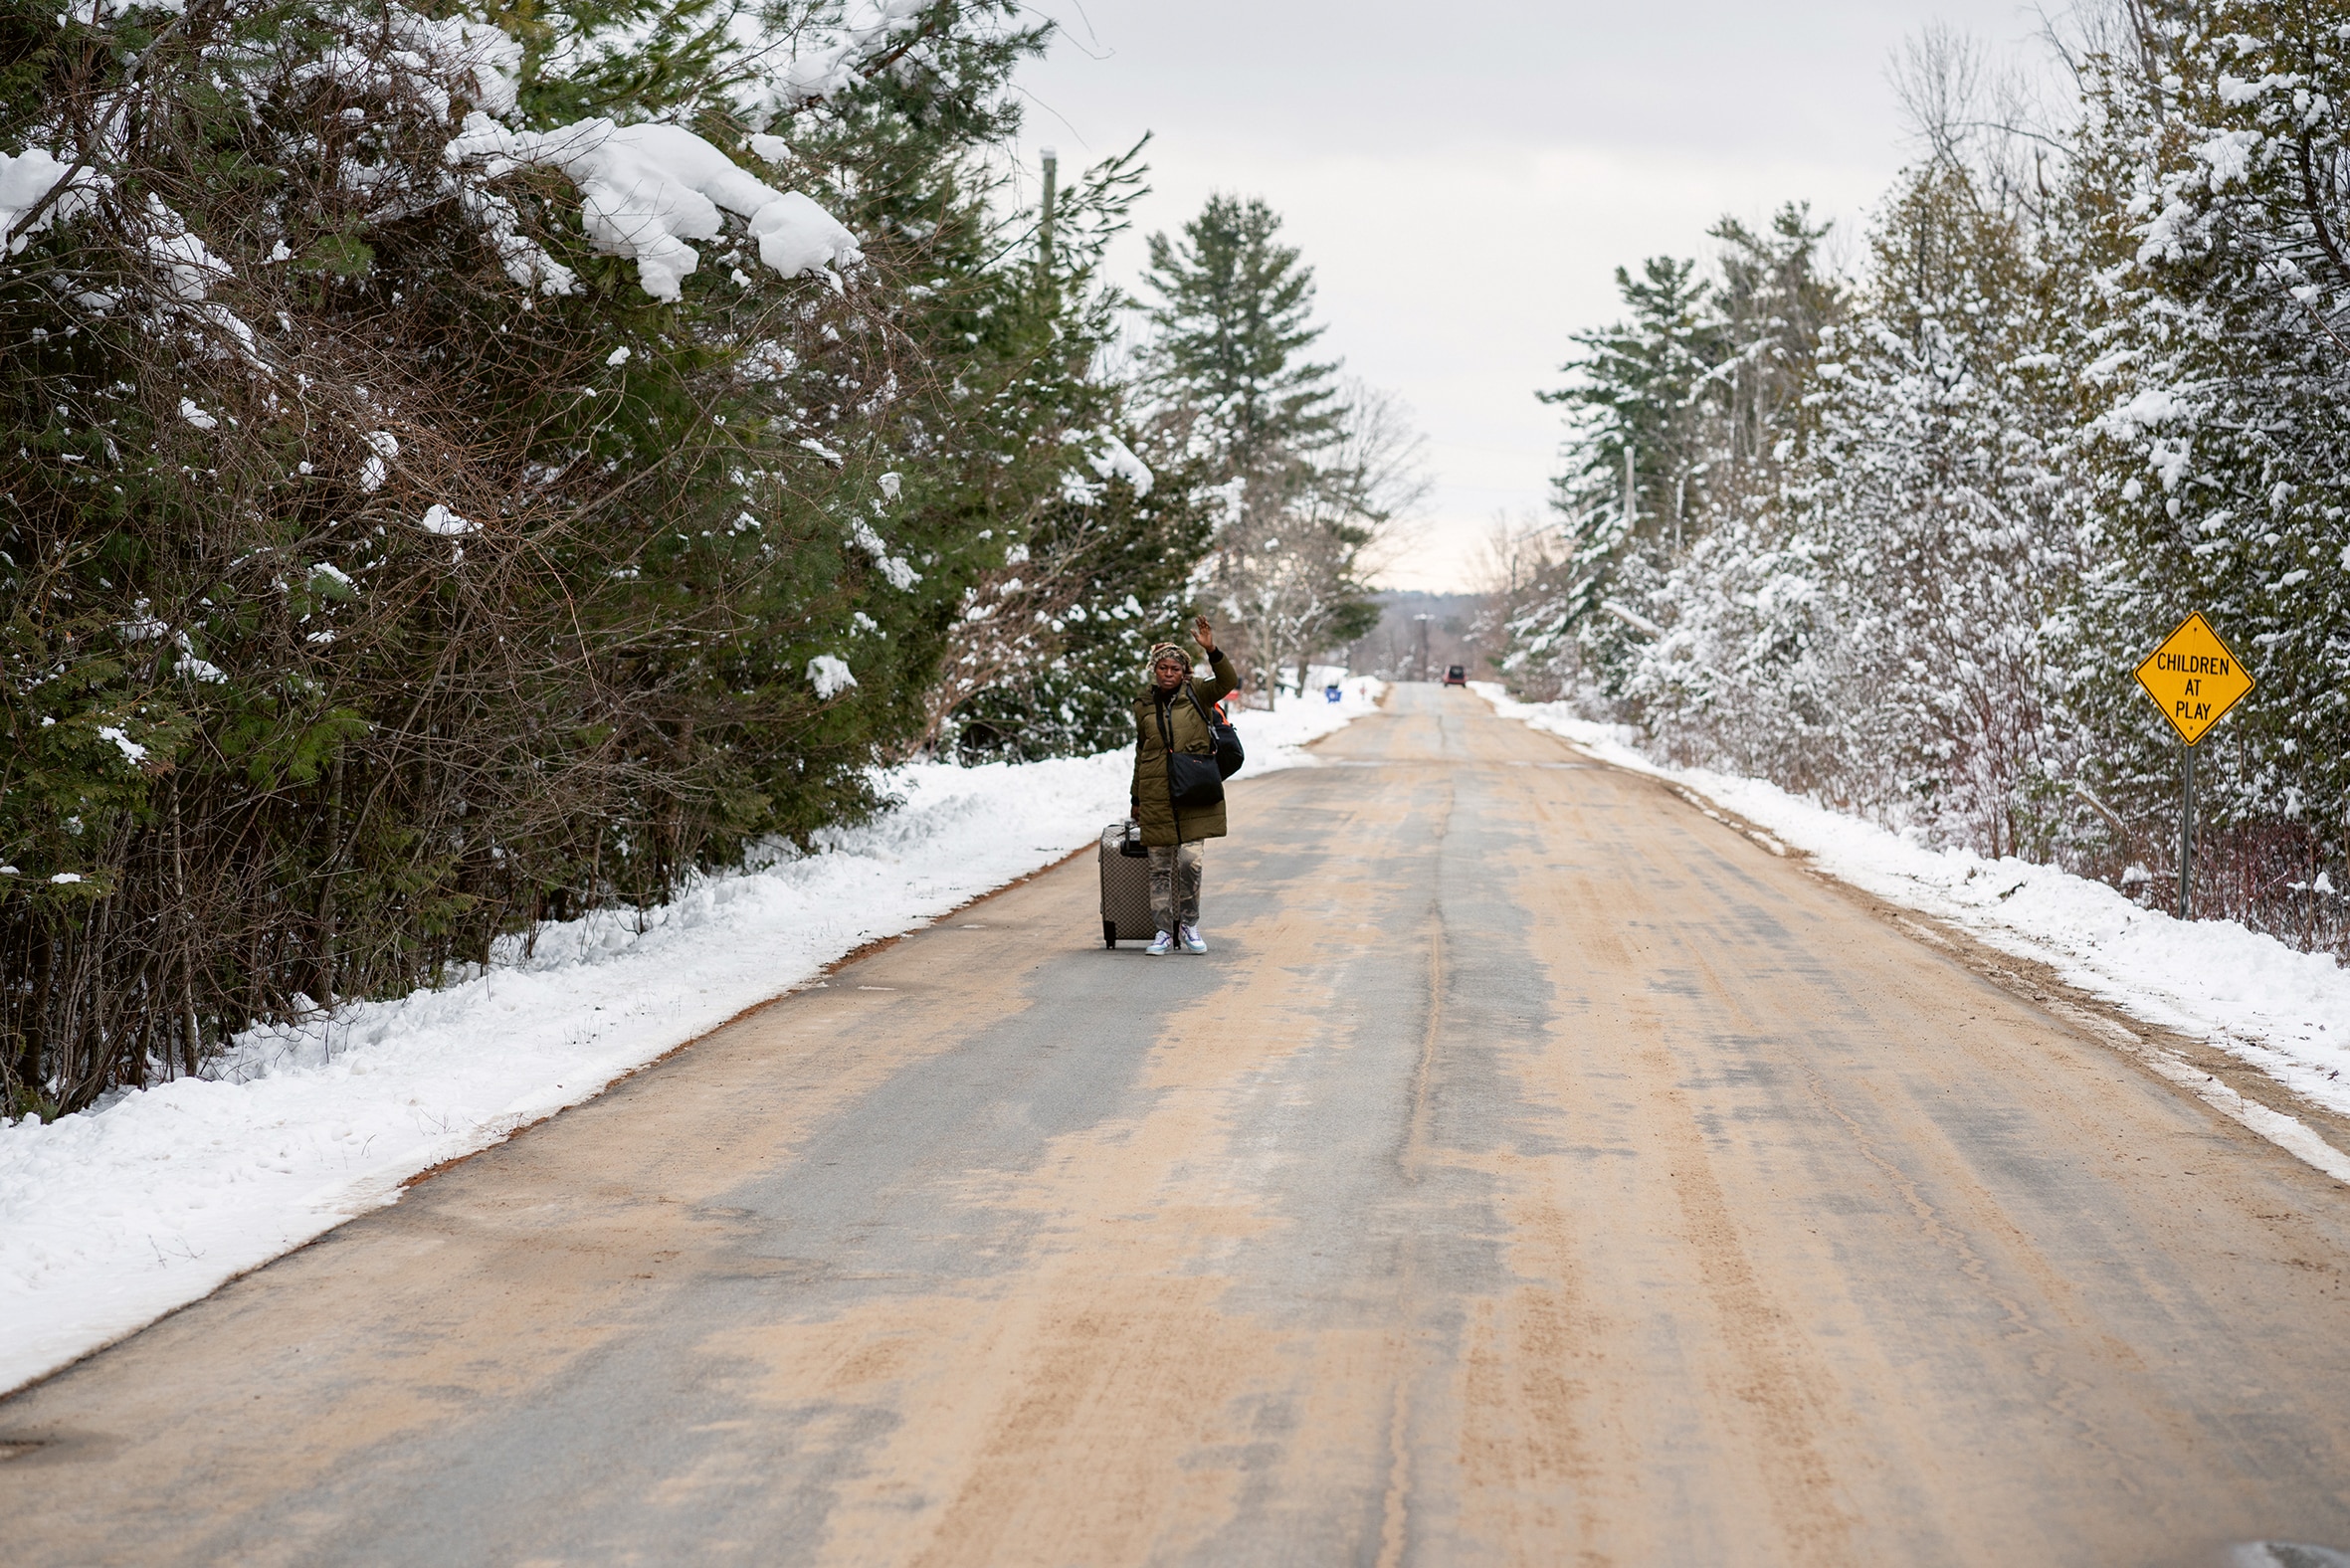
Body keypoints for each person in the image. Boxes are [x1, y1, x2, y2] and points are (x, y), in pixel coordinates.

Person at [1130, 615, 1240, 955]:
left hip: (1193, 790)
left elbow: (1228, 680)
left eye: (1175, 669)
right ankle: (1163, 931)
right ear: (1154, 669)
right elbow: (1141, 751)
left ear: (1184, 672)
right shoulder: (1143, 705)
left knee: (1189, 863)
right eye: (1162, 667)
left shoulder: (1199, 693)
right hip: (1156, 795)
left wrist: (1212, 650)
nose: (1168, 673)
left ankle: (1189, 924)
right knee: (1159, 868)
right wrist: (1136, 796)